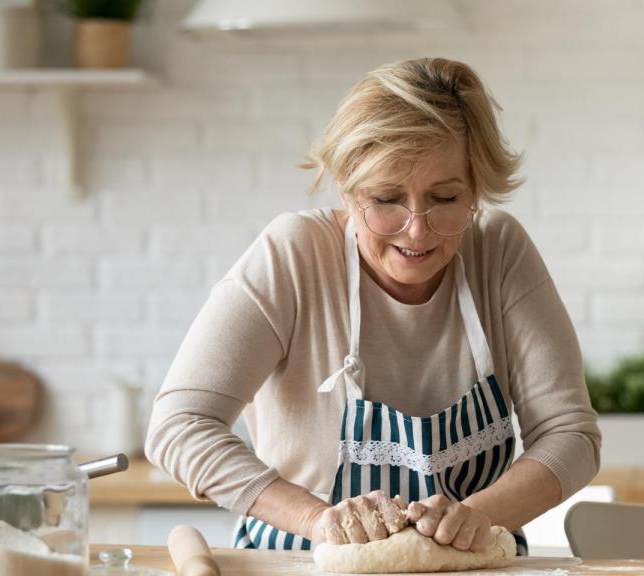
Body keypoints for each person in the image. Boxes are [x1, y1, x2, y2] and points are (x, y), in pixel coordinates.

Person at [145, 57, 601, 554]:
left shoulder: (499, 252)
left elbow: (571, 436)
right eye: (386, 198)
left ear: (475, 188)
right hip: (299, 563)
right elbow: (179, 427)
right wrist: (318, 519)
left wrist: (477, 516)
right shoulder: (294, 256)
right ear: (345, 187)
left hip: (472, 565)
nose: (417, 230)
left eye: (446, 198)